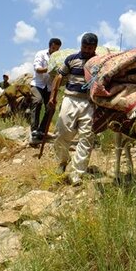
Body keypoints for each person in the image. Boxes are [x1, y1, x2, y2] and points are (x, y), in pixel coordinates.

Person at [49, 33, 98, 185]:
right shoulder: (71, 59)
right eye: (85, 47)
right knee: (61, 133)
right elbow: (59, 77)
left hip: (89, 103)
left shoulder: (99, 62)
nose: (87, 50)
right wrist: (53, 96)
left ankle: (78, 172)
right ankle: (63, 162)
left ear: (95, 47)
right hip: (70, 99)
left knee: (86, 137)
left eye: (90, 48)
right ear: (81, 45)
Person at [30, 38, 62, 146]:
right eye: (53, 48)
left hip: (49, 87)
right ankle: (34, 131)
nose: (55, 51)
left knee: (51, 106)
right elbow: (37, 69)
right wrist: (49, 69)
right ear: (50, 46)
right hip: (37, 85)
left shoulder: (59, 58)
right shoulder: (41, 54)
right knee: (37, 101)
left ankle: (41, 130)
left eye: (57, 49)